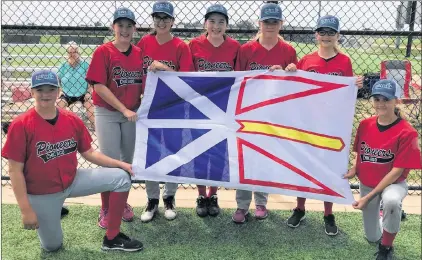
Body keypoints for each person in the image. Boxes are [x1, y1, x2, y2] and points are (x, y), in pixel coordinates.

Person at [1, 70, 143, 252]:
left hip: (72, 180)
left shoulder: (72, 119)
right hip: (42, 192)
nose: (45, 94)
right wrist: (25, 210)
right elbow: (14, 170)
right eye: (40, 89)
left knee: (121, 178)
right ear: (32, 92)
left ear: (59, 91)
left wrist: (121, 164)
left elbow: (90, 153)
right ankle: (52, 210)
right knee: (52, 246)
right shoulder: (20, 125)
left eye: (51, 89)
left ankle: (112, 237)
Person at [282, 15, 364, 236]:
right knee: (304, 164)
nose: (326, 36)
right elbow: (293, 86)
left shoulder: (344, 61)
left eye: (331, 32)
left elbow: (347, 93)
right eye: (322, 32)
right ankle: (300, 208)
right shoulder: (306, 60)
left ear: (338, 36)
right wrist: (291, 70)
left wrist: (355, 84)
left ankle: (328, 213)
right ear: (316, 35)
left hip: (332, 124)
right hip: (307, 122)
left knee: (330, 167)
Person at [232, 2, 298, 224]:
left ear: (281, 24)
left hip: (273, 114)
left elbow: (296, 87)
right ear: (259, 23)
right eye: (266, 22)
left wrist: (289, 72)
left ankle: (261, 202)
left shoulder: (288, 51)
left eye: (274, 22)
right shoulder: (246, 50)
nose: (270, 26)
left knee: (263, 158)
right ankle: (242, 205)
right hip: (248, 112)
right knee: (244, 158)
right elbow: (237, 81)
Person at [344, 79, 421, 260]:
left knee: (392, 200)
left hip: (393, 183)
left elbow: (396, 171)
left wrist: (368, 197)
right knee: (372, 237)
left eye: (386, 99)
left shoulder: (408, 132)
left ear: (396, 100)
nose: (380, 104)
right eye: (377, 99)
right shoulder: (365, 124)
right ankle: (389, 214)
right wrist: (355, 169)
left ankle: (387, 247)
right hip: (368, 182)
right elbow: (360, 151)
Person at [136, 1, 194, 223]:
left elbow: (186, 79)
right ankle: (152, 199)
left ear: (172, 21)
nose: (161, 21)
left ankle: (169, 197)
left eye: (165, 18)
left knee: (172, 152)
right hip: (149, 106)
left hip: (174, 107)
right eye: (157, 17)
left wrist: (165, 68)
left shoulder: (181, 46)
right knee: (151, 153)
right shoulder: (144, 42)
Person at [85, 7, 142, 229]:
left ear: (135, 29)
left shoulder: (139, 53)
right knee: (109, 161)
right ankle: (106, 207)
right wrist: (123, 109)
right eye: (121, 25)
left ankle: (122, 203)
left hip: (131, 113)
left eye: (129, 26)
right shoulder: (104, 51)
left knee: (127, 162)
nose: (125, 30)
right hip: (108, 112)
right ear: (113, 27)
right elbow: (98, 85)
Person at [189, 4, 241, 218]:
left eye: (221, 22)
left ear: (227, 25)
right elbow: (185, 77)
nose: (216, 26)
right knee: (200, 153)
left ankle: (213, 194)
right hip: (199, 110)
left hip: (224, 111)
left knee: (219, 155)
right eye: (212, 21)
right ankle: (201, 195)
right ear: (205, 24)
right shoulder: (193, 45)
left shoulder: (235, 47)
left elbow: (241, 78)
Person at [57, 41, 95, 129]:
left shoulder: (85, 65)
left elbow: (90, 80)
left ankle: (95, 126)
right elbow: (58, 80)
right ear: (67, 53)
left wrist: (88, 93)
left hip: (83, 93)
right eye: (70, 52)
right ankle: (61, 126)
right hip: (66, 93)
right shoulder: (63, 65)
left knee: (89, 105)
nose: (72, 54)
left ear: (78, 53)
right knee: (59, 104)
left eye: (75, 52)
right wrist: (60, 91)